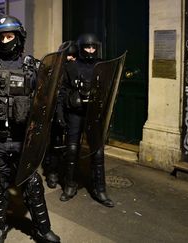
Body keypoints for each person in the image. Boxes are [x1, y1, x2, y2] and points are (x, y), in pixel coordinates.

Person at [0, 15, 61, 243]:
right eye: (2, 36)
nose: (6, 40)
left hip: (23, 139)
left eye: (10, 36)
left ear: (19, 37)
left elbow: (46, 101)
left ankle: (42, 228)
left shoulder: (33, 66)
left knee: (32, 182)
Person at [56, 33, 114, 207]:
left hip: (94, 114)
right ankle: (69, 185)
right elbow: (62, 90)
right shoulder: (72, 66)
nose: (90, 50)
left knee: (97, 151)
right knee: (72, 149)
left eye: (93, 47)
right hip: (75, 113)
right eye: (87, 47)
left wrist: (109, 117)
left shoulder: (102, 66)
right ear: (81, 49)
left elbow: (109, 93)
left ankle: (100, 189)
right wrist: (60, 112)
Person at [44, 41, 78, 189]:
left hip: (71, 111)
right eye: (68, 55)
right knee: (55, 144)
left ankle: (67, 174)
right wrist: (58, 113)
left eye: (74, 56)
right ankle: (52, 173)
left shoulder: (76, 70)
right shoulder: (54, 70)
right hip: (55, 111)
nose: (71, 58)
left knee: (70, 146)